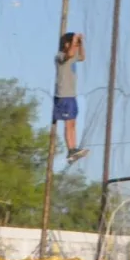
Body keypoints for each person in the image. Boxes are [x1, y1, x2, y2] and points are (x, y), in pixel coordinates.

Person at [53, 31, 88, 165]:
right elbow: (71, 54)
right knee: (68, 123)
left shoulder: (73, 56)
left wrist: (80, 42)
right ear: (66, 44)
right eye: (73, 44)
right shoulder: (60, 56)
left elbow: (82, 57)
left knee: (73, 123)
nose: (76, 46)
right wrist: (74, 40)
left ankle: (74, 148)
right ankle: (70, 150)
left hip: (71, 96)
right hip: (63, 96)